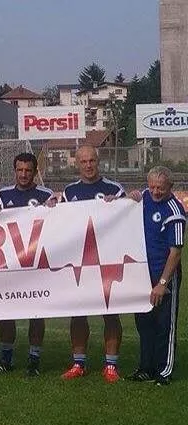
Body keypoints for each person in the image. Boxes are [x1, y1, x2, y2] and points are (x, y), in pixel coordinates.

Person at [59, 145, 126, 383]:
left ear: (98, 161)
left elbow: (129, 217)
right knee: (79, 314)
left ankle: (111, 365)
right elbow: (60, 223)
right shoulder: (70, 192)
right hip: (80, 263)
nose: (88, 165)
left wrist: (121, 204)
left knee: (110, 314)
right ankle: (78, 363)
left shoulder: (114, 189)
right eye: (84, 161)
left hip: (108, 261)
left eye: (92, 161)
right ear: (77, 164)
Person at [0, 153, 55, 376]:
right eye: (20, 170)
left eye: (28, 170)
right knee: (6, 312)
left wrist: (53, 209)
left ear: (35, 171)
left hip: (36, 263)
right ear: (15, 171)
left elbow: (57, 223)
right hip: (9, 263)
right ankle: (6, 358)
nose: (23, 174)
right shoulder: (3, 195)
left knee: (36, 313)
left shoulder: (46, 195)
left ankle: (34, 359)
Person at [126, 166, 183, 386]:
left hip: (164, 276)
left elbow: (175, 252)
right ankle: (145, 368)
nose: (155, 192)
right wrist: (127, 198)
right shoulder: (144, 198)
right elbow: (125, 207)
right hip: (142, 274)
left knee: (164, 325)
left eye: (160, 188)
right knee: (144, 323)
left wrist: (162, 283)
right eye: (152, 187)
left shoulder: (175, 212)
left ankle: (164, 371)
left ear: (170, 187)